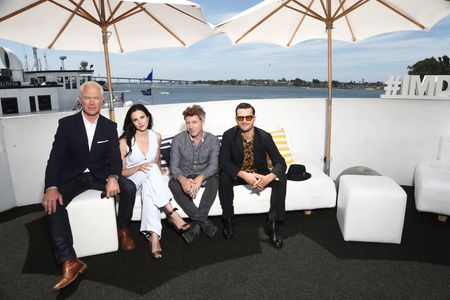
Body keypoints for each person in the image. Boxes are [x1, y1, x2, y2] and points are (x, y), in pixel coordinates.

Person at [42, 81, 137, 291]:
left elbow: (114, 158)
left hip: (100, 175)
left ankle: (122, 228)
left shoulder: (109, 127)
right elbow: (56, 159)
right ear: (80, 99)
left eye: (96, 98)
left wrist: (113, 176)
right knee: (52, 203)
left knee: (128, 187)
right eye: (87, 97)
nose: (92, 102)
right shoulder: (66, 124)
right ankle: (69, 261)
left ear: (102, 101)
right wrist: (51, 186)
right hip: (73, 177)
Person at [119, 104, 190, 259]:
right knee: (150, 170)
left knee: (149, 190)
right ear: (131, 122)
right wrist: (139, 167)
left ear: (148, 117)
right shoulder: (125, 141)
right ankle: (172, 213)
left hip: (147, 179)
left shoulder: (156, 136)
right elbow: (121, 172)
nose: (140, 122)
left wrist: (158, 171)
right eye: (135, 119)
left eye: (142, 117)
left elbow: (156, 161)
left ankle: (154, 237)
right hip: (131, 180)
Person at [219, 102, 287, 249]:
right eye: (240, 118)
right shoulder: (229, 135)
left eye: (248, 117)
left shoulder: (265, 136)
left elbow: (281, 162)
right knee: (224, 176)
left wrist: (268, 177)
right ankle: (228, 220)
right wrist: (243, 174)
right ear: (236, 119)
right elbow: (223, 161)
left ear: (254, 118)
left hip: (259, 173)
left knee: (281, 178)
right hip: (239, 174)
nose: (244, 121)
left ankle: (273, 224)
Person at [169, 104, 220, 244]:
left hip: (204, 174)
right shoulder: (178, 139)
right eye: (188, 123)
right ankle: (203, 221)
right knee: (172, 183)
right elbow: (174, 166)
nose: (191, 126)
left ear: (202, 122)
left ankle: (195, 225)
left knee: (215, 180)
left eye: (194, 122)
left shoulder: (213, 140)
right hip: (185, 173)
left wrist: (200, 178)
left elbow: (213, 166)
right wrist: (183, 180)